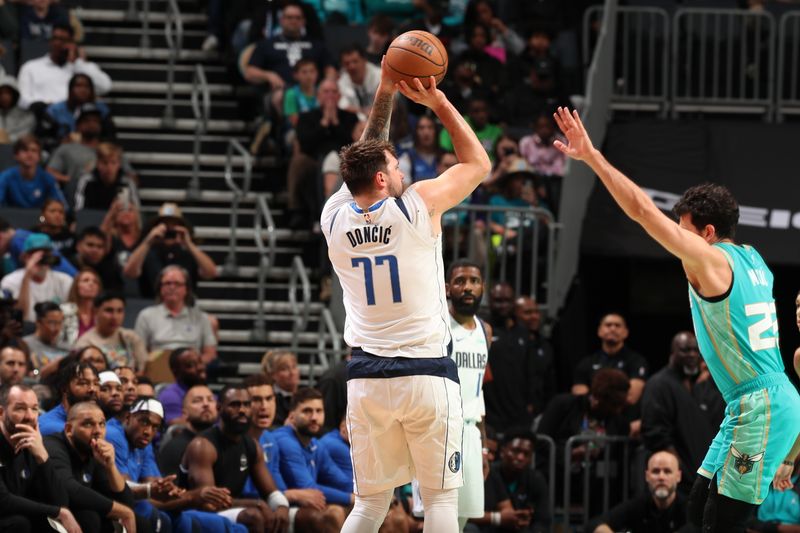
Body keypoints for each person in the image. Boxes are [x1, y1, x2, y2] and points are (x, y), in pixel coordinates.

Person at [552, 106, 800, 531]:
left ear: (705, 233)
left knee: (722, 523)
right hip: (751, 401)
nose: (677, 237)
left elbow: (642, 212)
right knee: (695, 508)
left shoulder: (710, 260)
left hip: (762, 404)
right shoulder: (754, 259)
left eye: (683, 228)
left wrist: (592, 157)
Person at [321, 56, 492, 533]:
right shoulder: (416, 208)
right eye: (394, 167)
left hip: (367, 378)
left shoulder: (332, 217)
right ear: (381, 179)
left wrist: (385, 91)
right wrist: (436, 100)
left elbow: (366, 152)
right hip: (425, 373)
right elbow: (479, 163)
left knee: (370, 505)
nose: (400, 171)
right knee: (438, 500)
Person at [413, 258, 492, 531]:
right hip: (440, 429)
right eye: (460, 281)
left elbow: (477, 391)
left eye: (474, 281)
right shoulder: (437, 325)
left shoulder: (486, 331)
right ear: (447, 288)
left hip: (469, 432)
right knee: (438, 515)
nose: (468, 287)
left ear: (483, 287)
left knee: (461, 519)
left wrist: (482, 445)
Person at [181, 385, 290, 532]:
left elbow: (271, 492)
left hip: (230, 508)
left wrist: (282, 506)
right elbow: (208, 503)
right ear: (219, 408)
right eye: (235, 405)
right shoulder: (203, 446)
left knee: (288, 516)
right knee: (254, 516)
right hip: (195, 513)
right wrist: (255, 504)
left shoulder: (252, 445)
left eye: (246, 405)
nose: (242, 410)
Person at [641, 332, 725, 494]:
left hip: (704, 478)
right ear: (673, 353)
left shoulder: (702, 387)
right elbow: (656, 436)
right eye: (685, 350)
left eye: (696, 350)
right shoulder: (659, 384)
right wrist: (681, 472)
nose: (692, 355)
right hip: (679, 481)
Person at [244, 374, 328, 532]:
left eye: (269, 399)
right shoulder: (239, 440)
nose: (264, 406)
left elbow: (277, 486)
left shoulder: (269, 440)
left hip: (268, 504)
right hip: (246, 507)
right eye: (256, 400)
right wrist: (292, 495)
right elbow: (241, 491)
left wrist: (284, 499)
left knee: (322, 516)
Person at [43, 402, 140, 533]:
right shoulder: (53, 445)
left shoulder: (92, 452)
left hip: (76, 513)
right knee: (89, 517)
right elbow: (67, 487)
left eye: (102, 424)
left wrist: (110, 466)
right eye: (88, 424)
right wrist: (122, 511)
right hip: (46, 515)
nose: (98, 431)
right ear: (69, 429)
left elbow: (126, 502)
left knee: (140, 522)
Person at [0, 383, 81, 532]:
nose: (30, 416)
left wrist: (42, 455)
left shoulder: (32, 445)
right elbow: (3, 501)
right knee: (19, 523)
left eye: (34, 408)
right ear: (1, 412)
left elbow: (60, 501)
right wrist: (58, 512)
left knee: (74, 519)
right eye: (20, 408)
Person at [273, 387, 352, 531]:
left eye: (319, 411)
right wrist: (350, 498)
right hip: (278, 506)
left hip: (298, 506)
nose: (314, 417)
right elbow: (308, 487)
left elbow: (342, 481)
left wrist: (368, 495)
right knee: (334, 513)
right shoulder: (285, 440)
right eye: (307, 411)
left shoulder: (315, 444)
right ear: (291, 416)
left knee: (381, 513)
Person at [124, 204, 218, 298]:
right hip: (152, 305)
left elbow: (211, 273)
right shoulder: (147, 252)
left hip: (184, 306)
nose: (169, 231)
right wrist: (149, 240)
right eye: (165, 226)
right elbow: (129, 272)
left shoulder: (189, 254)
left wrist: (189, 244)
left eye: (173, 226)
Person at [588, 450, 693, 533]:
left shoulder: (690, 508)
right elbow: (594, 524)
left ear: (678, 476)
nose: (661, 477)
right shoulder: (639, 505)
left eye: (667, 471)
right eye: (656, 471)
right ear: (647, 476)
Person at [134, 265, 218, 364]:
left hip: (190, 372)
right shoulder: (146, 316)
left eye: (177, 284)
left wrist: (194, 365)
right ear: (160, 288)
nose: (172, 287)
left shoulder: (201, 318)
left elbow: (210, 353)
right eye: (167, 283)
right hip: (158, 371)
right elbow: (138, 351)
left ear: (186, 289)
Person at [17, 24, 112, 109]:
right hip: (43, 116)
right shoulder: (31, 67)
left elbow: (105, 87)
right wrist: (46, 106)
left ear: (72, 44)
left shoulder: (82, 67)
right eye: (55, 39)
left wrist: (77, 62)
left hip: (75, 120)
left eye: (63, 40)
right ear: (50, 41)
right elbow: (22, 99)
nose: (57, 43)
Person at [478, 428, 551, 533]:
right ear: (502, 451)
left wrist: (518, 519)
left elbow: (542, 521)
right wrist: (499, 518)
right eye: (516, 451)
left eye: (526, 454)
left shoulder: (536, 479)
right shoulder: (490, 473)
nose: (521, 457)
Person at [1, 233, 73, 322]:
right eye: (35, 254)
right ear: (25, 257)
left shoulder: (64, 280)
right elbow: (19, 319)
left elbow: (71, 316)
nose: (40, 259)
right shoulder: (10, 281)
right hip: (26, 332)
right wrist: (27, 277)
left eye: (45, 254)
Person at [74, 292, 148, 372]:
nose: (115, 317)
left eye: (120, 311)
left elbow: (144, 370)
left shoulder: (131, 337)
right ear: (95, 311)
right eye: (109, 310)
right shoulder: (85, 342)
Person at [157, 384, 217, 476]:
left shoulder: (225, 441)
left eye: (210, 400)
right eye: (197, 401)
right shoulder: (175, 448)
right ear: (185, 413)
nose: (206, 404)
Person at [514, 296, 557, 416]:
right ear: (515, 314)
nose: (534, 316)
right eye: (528, 313)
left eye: (536, 312)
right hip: (516, 410)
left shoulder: (546, 345)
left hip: (542, 410)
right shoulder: (509, 344)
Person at [0, 134, 65, 208]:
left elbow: (61, 206)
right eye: (25, 150)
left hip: (39, 218)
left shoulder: (48, 178)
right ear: (16, 155)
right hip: (11, 218)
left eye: (34, 151)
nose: (29, 154)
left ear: (39, 156)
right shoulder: (5, 177)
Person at [46, 73, 115, 141]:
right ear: (70, 89)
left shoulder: (101, 109)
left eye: (86, 86)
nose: (83, 90)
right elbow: (48, 137)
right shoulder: (55, 110)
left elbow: (110, 137)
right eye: (78, 86)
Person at [38, 359, 99, 436]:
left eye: (96, 383)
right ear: (64, 388)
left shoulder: (96, 422)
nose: (92, 389)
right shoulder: (53, 428)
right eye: (83, 383)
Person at [158, 347, 208, 425]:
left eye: (200, 362)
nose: (200, 367)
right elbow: (177, 429)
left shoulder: (208, 393)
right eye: (190, 365)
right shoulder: (170, 396)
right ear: (176, 372)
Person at [68, 226, 123, 291]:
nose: (95, 250)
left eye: (100, 246)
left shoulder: (110, 271)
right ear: (78, 246)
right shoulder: (67, 265)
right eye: (90, 245)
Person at [23, 300, 69, 375]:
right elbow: (26, 375)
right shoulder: (25, 345)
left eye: (59, 323)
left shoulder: (66, 346)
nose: (57, 328)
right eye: (52, 323)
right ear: (38, 323)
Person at [59, 266, 102, 347]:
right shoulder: (64, 311)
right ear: (76, 286)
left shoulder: (103, 314)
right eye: (86, 280)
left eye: (95, 282)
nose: (91, 283)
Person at [337, 44, 381, 120]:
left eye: (355, 61)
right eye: (347, 63)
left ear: (364, 60)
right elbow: (342, 106)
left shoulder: (379, 76)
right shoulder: (341, 83)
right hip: (357, 123)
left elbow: (391, 103)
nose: (352, 66)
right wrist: (363, 111)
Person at [261, 350, 300, 426]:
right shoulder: (271, 400)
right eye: (284, 369)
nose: (292, 373)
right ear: (272, 374)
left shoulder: (304, 395)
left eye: (294, 367)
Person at [0, 76, 36, 144]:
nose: (4, 97)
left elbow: (24, 136)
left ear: (15, 94)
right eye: (1, 93)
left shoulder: (27, 115)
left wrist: (5, 138)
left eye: (7, 93)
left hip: (17, 150)